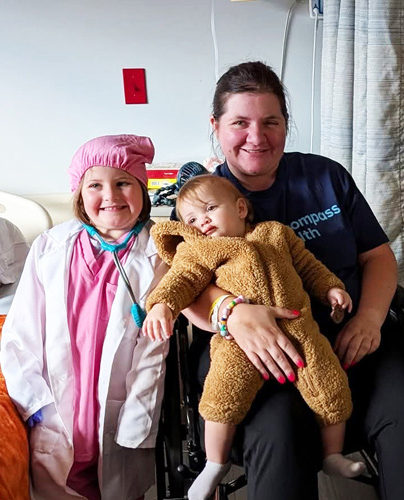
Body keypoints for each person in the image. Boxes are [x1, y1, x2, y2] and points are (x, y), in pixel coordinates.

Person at [181, 61, 404, 500]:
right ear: (216, 126)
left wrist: (368, 318)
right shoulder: (202, 200)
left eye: (271, 121)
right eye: (240, 123)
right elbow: (181, 282)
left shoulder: (326, 177)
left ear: (286, 125)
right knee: (280, 437)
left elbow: (378, 255)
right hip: (260, 354)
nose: (256, 136)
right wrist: (231, 312)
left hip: (354, 337)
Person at [143, 174, 366, 500]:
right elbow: (183, 279)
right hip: (238, 340)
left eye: (210, 208)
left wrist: (331, 288)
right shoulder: (203, 250)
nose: (202, 220)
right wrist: (162, 305)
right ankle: (214, 463)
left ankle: (333, 456)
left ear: (241, 208)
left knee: (330, 385)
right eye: (192, 218)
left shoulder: (276, 233)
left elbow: (308, 266)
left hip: (298, 328)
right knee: (222, 396)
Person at [0, 135, 169, 500]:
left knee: (120, 486)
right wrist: (36, 405)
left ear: (142, 188)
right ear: (79, 195)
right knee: (59, 485)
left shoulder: (159, 254)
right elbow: (21, 331)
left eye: (123, 182)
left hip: (120, 403)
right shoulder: (50, 247)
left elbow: (154, 350)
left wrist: (138, 418)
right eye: (95, 185)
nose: (110, 196)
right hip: (58, 407)